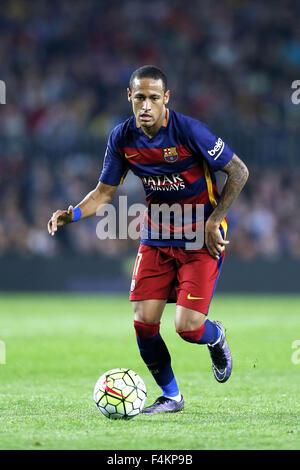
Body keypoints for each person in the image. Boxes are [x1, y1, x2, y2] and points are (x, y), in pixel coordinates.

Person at [48, 65, 249, 414]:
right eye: (139, 97)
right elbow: (103, 193)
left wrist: (215, 220)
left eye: (154, 98)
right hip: (157, 236)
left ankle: (215, 336)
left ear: (166, 99)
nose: (146, 105)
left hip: (200, 236)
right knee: (144, 323)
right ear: (129, 97)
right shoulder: (122, 138)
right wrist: (74, 214)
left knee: (188, 328)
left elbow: (239, 171)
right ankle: (172, 397)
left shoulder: (189, 131)